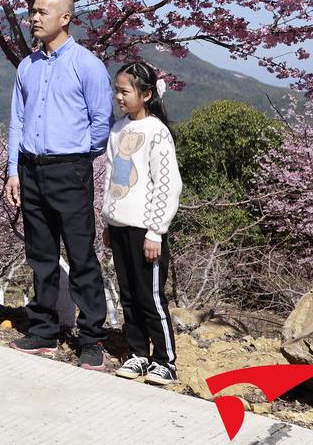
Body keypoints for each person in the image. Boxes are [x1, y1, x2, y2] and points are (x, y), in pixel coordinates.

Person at [4, 0, 113, 369]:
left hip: (69, 168)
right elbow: (17, 120)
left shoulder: (88, 65)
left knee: (81, 255)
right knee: (42, 255)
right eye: (32, 11)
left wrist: (79, 155)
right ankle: (43, 331)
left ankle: (92, 338)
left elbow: (102, 121)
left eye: (42, 12)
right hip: (30, 167)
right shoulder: (27, 66)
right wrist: (13, 170)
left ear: (65, 18)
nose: (33, 17)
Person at [104, 61, 182, 386]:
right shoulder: (118, 128)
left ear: (146, 94)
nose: (119, 97)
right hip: (120, 226)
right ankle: (138, 353)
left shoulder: (156, 132)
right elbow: (110, 176)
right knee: (128, 294)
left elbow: (167, 184)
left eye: (125, 91)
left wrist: (156, 231)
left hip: (145, 229)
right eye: (117, 91)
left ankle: (166, 360)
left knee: (150, 296)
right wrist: (108, 220)